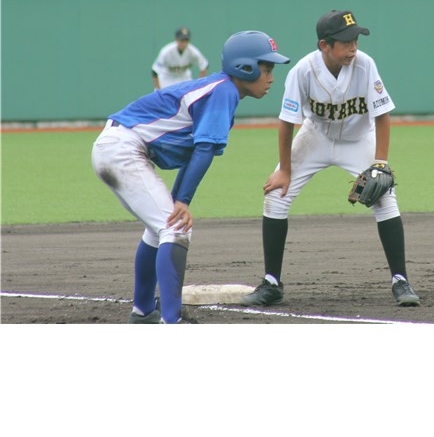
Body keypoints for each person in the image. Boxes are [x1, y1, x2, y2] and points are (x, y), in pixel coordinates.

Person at [92, 31, 290, 324]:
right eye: (267, 69)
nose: (271, 78)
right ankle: (172, 320)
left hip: (116, 147)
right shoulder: (223, 91)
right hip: (122, 149)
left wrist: (178, 200)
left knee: (160, 229)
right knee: (175, 230)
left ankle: (144, 310)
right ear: (245, 67)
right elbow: (204, 149)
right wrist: (182, 201)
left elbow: (195, 151)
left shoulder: (221, 90)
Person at [240, 10, 420, 308]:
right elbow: (287, 123)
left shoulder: (365, 64)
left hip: (358, 139)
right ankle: (271, 283)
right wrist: (285, 170)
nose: (353, 47)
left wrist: (380, 162)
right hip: (316, 137)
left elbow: (382, 115)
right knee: (275, 197)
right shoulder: (303, 71)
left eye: (356, 40)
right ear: (325, 45)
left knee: (386, 199)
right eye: (346, 41)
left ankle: (400, 281)